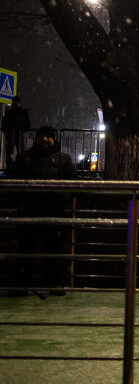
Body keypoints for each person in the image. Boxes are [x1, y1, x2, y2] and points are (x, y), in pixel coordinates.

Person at [9, 126, 75, 297]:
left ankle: (46, 284)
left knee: (47, 249)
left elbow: (71, 183)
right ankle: (47, 284)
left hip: (44, 210)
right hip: (39, 210)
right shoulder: (59, 159)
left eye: (48, 136)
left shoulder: (26, 158)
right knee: (31, 249)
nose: (44, 139)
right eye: (42, 136)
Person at [2, 95, 30, 171]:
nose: (14, 104)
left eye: (15, 102)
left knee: (19, 154)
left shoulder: (21, 113)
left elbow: (27, 125)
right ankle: (11, 168)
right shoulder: (12, 113)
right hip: (13, 135)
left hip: (17, 135)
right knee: (10, 154)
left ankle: (19, 169)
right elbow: (4, 124)